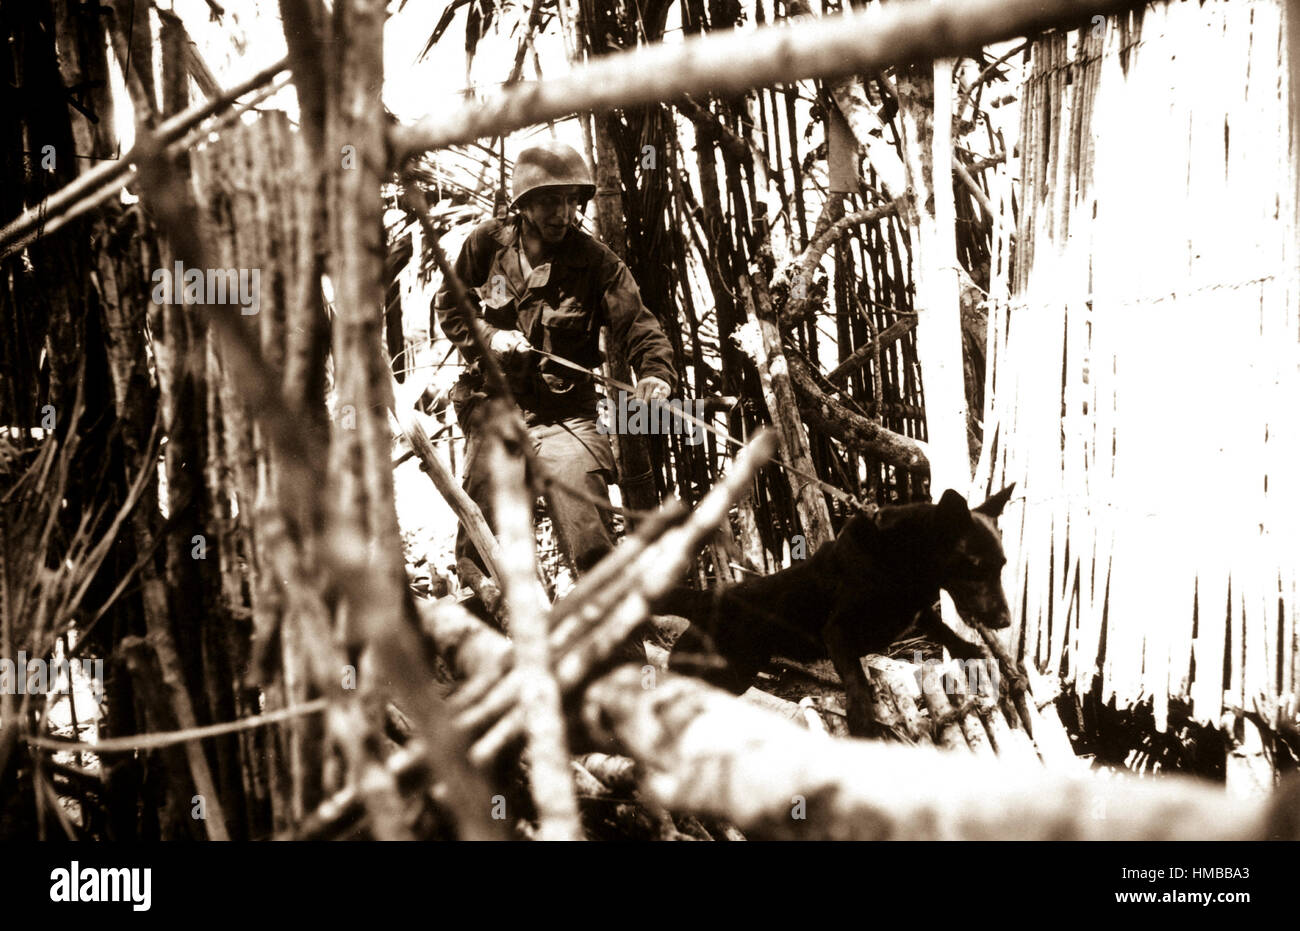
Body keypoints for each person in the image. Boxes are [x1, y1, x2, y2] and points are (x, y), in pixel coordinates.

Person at [432, 140, 676, 599]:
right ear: (523, 206)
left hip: (566, 418)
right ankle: (486, 634)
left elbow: (640, 325)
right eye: (549, 201)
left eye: (570, 201)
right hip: (496, 408)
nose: (563, 213)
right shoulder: (487, 244)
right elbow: (450, 307)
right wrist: (490, 337)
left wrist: (654, 374)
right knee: (487, 539)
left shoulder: (596, 263)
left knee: (590, 533)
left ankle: (615, 646)